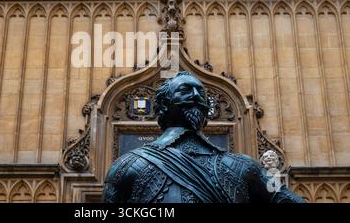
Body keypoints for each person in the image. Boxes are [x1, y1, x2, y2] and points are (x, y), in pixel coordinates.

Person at [102, 71, 305, 203]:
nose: (196, 96)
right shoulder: (128, 167)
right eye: (185, 90)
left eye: (200, 92)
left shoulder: (243, 167)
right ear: (164, 105)